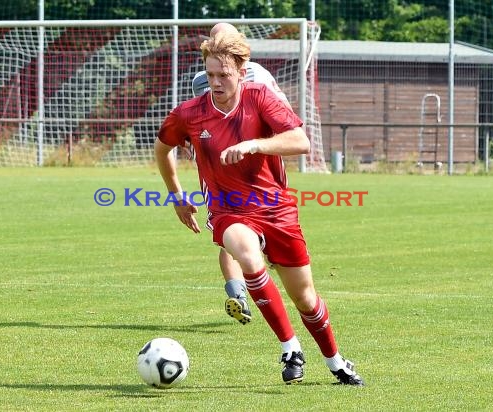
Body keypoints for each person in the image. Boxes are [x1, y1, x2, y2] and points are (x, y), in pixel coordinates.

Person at [155, 30, 364, 385]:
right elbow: (162, 149)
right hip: (228, 210)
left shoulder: (261, 97)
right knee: (247, 257)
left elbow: (300, 141)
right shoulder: (190, 113)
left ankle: (335, 362)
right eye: (210, 75)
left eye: (224, 75)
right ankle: (290, 347)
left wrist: (253, 145)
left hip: (277, 209)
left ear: (241, 70)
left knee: (306, 299)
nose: (216, 82)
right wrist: (177, 196)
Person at [190, 22, 292, 326]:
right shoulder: (246, 75)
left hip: (256, 164)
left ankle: (244, 285)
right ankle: (240, 291)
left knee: (233, 236)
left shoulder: (252, 77)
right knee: (230, 234)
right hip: (231, 167)